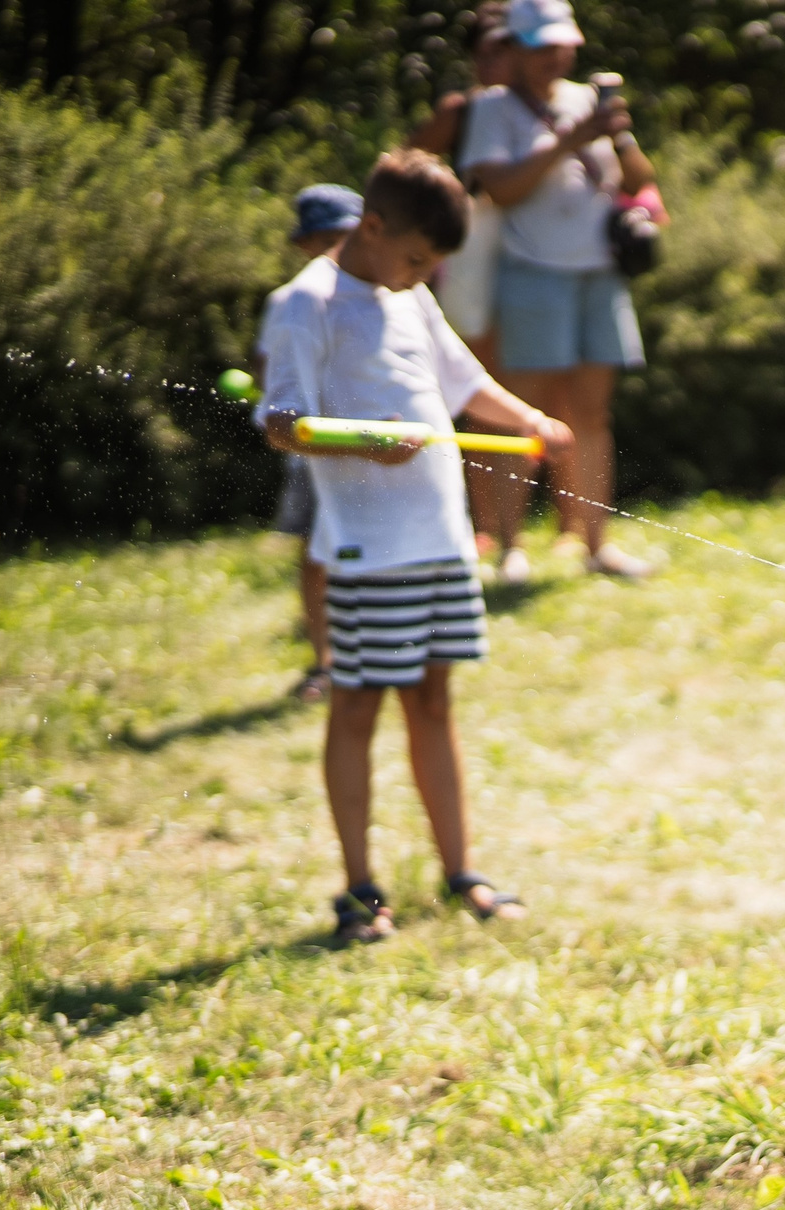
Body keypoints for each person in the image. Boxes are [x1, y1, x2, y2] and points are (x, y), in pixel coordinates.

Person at [256, 150, 575, 943]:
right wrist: (365, 441)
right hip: (369, 553)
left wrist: (531, 421)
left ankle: (461, 870)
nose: (422, 274)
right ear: (371, 226)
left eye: (431, 263)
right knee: (358, 706)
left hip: (441, 542)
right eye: (415, 257)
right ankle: (360, 891)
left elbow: (464, 382)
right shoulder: (306, 304)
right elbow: (280, 422)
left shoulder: (410, 295)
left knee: (434, 701)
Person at [459, 0, 662, 581]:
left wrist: (618, 135)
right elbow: (501, 189)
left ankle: (596, 546)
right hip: (532, 272)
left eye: (563, 46)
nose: (555, 57)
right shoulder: (492, 108)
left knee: (592, 413)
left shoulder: (587, 100)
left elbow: (639, 180)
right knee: (519, 415)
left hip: (600, 272)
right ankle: (511, 548)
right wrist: (571, 140)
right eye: (542, 46)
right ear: (516, 49)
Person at [410, 5, 528, 579]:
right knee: (480, 399)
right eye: (487, 52)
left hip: (532, 265)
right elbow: (405, 169)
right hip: (474, 268)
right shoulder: (463, 111)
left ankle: (532, 532)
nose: (497, 63)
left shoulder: (543, 108)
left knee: (531, 398)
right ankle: (490, 532)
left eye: (507, 50)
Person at [254, 183, 361, 704]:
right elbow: (268, 369)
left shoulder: (377, 292)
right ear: (305, 244)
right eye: (328, 237)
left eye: (349, 234)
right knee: (318, 556)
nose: (340, 246)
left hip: (370, 456)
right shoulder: (290, 300)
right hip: (316, 458)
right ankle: (325, 659)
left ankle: (363, 652)